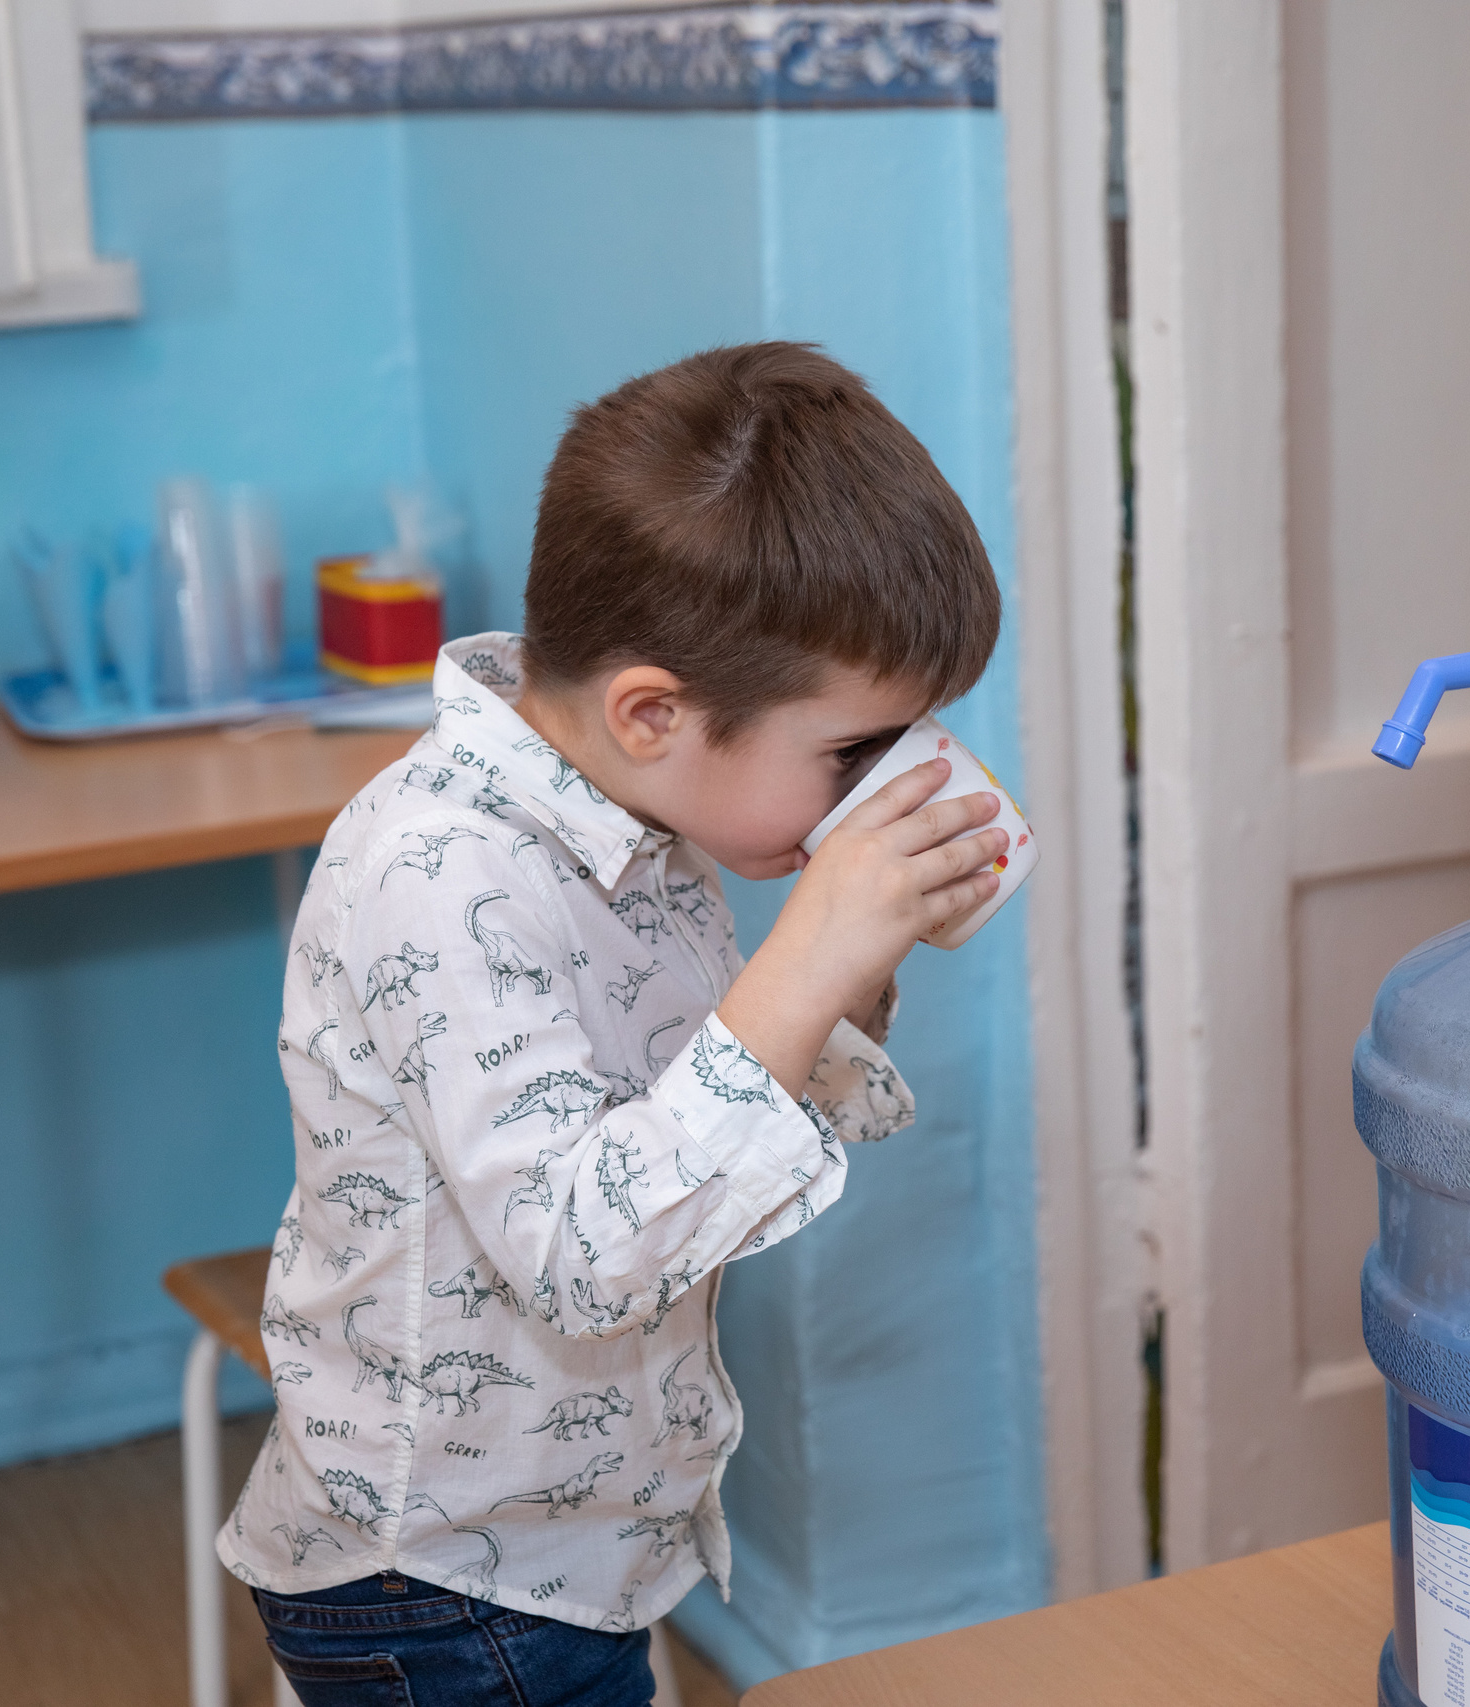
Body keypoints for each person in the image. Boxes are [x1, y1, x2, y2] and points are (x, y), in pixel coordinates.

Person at [221, 342, 1008, 1706]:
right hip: (444, 1585)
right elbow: (584, 1252)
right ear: (653, 711)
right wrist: (808, 946)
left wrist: (851, 962)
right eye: (852, 752)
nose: (881, 784)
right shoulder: (444, 875)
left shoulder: (646, 817)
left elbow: (685, 1125)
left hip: (572, 1547)